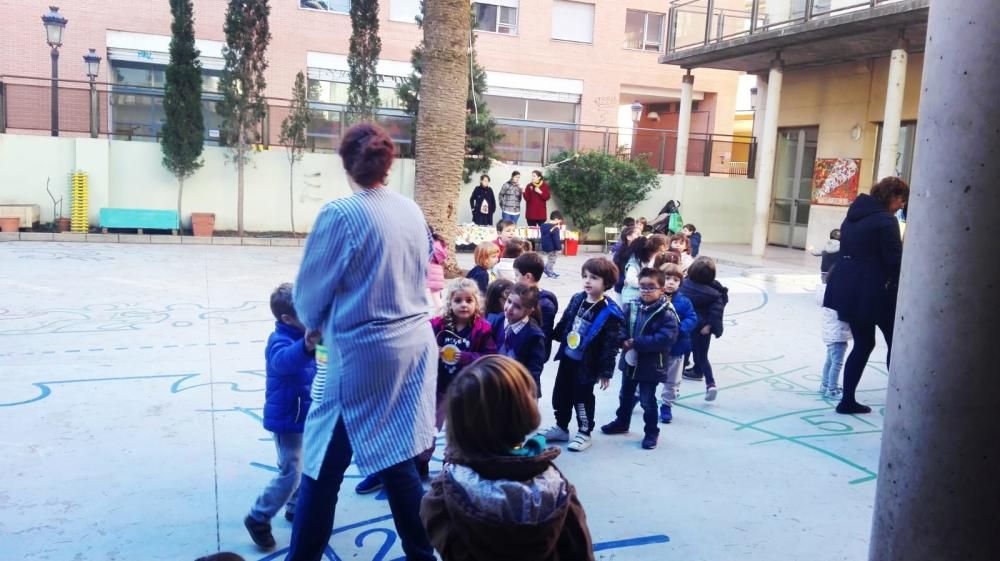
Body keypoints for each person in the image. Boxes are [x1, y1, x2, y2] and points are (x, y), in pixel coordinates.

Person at [288, 123, 436, 561]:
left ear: (345, 162)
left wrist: (312, 325)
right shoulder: (409, 209)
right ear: (389, 164)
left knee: (321, 465)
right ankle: (422, 554)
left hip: (362, 353)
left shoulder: (341, 214)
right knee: (397, 456)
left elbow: (310, 291)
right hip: (412, 344)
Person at [420, 355, 595, 561]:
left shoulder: (446, 492)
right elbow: (581, 552)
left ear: (458, 426)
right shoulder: (558, 490)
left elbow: (435, 529)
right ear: (527, 413)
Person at [244, 283, 318, 551]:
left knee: (306, 463)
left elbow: (323, 361)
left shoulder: (307, 333)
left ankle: (295, 507)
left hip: (307, 413)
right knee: (291, 471)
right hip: (288, 418)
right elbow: (283, 362)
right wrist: (307, 345)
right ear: (287, 318)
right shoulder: (281, 340)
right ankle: (259, 516)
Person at [824, 177, 908, 414]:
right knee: (896, 342)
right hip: (875, 291)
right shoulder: (886, 221)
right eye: (901, 199)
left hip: (848, 288)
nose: (902, 204)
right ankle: (898, 399)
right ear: (891, 196)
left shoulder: (853, 215)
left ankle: (847, 400)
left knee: (863, 343)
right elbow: (894, 261)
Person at [540, 257, 624, 452]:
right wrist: (551, 335)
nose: (587, 281)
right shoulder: (577, 298)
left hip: (587, 364)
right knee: (561, 393)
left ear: (607, 282)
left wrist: (606, 371)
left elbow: (610, 345)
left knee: (582, 398)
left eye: (594, 277)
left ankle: (584, 432)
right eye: (585, 276)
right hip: (568, 358)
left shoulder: (610, 312)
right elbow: (565, 321)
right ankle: (561, 427)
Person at [418, 279, 497, 471]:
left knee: (459, 428)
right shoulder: (437, 325)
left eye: (469, 300)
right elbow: (420, 344)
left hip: (465, 389)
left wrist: (467, 356)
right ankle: (421, 461)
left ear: (476, 303)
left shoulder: (482, 328)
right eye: (458, 300)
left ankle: (451, 462)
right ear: (449, 303)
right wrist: (432, 349)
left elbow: (489, 355)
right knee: (429, 427)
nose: (463, 304)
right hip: (439, 387)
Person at [600, 268, 679, 450]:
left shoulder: (667, 312)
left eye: (651, 287)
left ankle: (651, 432)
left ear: (662, 289)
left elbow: (665, 338)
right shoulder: (631, 306)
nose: (646, 291)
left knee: (646, 400)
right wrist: (622, 339)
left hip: (651, 366)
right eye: (642, 286)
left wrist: (636, 342)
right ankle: (622, 422)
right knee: (625, 395)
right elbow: (621, 327)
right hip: (630, 361)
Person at [679, 257, 729, 401]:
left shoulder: (684, 286)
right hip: (702, 329)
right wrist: (710, 326)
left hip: (685, 326)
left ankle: (674, 386)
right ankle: (711, 384)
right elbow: (716, 312)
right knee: (702, 357)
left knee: (682, 356)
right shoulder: (715, 292)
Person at [657, 263, 697, 423]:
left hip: (676, 348)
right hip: (655, 347)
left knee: (672, 380)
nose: (671, 282)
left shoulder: (684, 301)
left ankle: (666, 405)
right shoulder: (652, 298)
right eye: (667, 278)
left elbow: (692, 318)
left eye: (676, 280)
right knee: (645, 376)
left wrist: (679, 329)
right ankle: (638, 396)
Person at [491, 283, 547, 397]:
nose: (510, 308)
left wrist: (524, 392)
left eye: (517, 306)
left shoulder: (534, 335)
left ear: (529, 311)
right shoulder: (498, 320)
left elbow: (534, 370)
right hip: (497, 383)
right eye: (509, 301)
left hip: (520, 390)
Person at [513, 252, 559, 361]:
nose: (515, 279)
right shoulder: (522, 296)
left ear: (528, 276)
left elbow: (544, 336)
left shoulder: (544, 304)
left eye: (517, 275)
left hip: (532, 357)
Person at [817, 265, 851, 399]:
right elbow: (843, 313)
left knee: (829, 362)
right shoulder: (838, 293)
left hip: (829, 333)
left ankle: (824, 385)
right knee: (837, 363)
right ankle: (832, 389)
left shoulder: (826, 291)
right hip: (838, 334)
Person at [620, 234, 668, 306]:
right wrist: (648, 285)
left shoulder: (652, 260)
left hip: (643, 298)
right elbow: (631, 280)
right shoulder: (635, 263)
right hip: (632, 299)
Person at [427, 229, 448, 310]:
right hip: (438, 271)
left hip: (431, 272)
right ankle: (441, 315)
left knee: (436, 299)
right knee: (437, 297)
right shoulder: (439, 243)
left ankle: (441, 316)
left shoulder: (431, 244)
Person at [539, 211, 564, 278]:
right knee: (552, 259)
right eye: (559, 221)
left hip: (545, 245)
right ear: (556, 219)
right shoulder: (555, 228)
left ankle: (549, 270)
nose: (558, 223)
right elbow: (556, 239)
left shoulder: (543, 226)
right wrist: (559, 248)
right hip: (552, 247)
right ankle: (548, 271)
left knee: (550, 258)